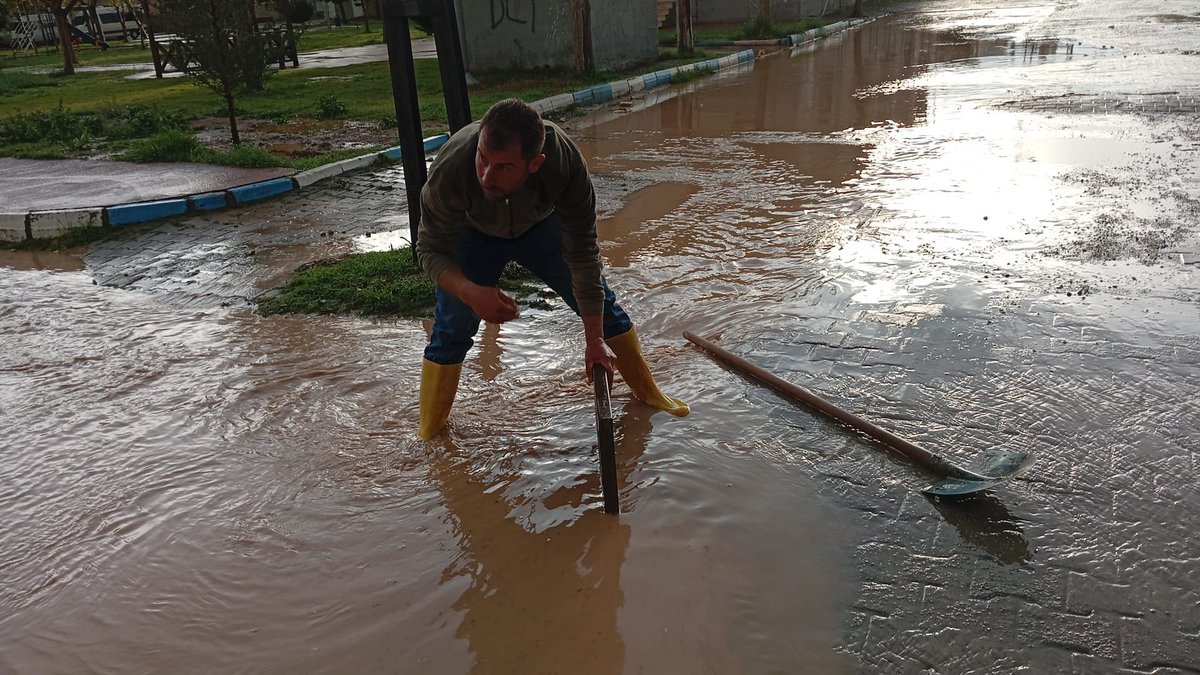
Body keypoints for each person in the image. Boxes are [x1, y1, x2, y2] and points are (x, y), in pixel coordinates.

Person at [416, 98, 688, 440]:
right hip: (474, 234)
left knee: (603, 307)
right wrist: (470, 292)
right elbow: (429, 250)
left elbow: (584, 253)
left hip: (542, 228)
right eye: (483, 159)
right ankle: (429, 431)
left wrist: (594, 340)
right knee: (451, 328)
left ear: (535, 164)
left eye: (504, 167)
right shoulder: (452, 168)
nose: (486, 175)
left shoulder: (564, 162)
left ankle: (650, 394)